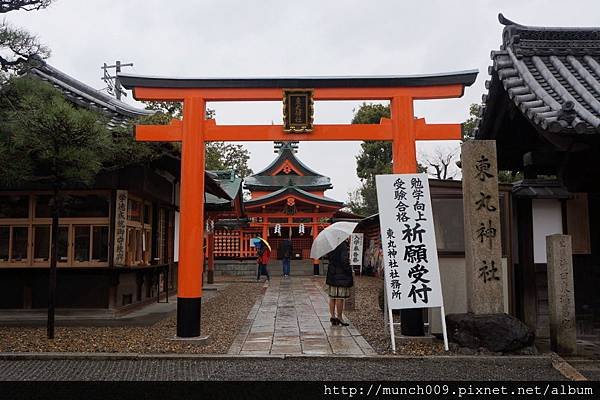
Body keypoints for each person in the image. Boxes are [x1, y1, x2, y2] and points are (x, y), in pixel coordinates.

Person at [325, 238, 353, 326]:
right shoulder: (343, 245)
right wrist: (349, 270)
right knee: (339, 297)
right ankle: (340, 317)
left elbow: (328, 257)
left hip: (332, 273)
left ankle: (333, 317)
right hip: (341, 274)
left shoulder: (330, 245)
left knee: (332, 297)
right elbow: (344, 260)